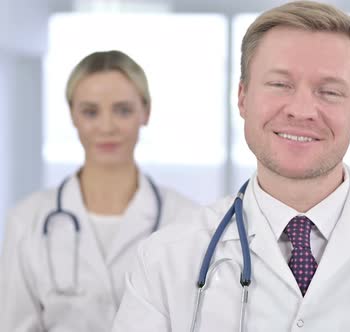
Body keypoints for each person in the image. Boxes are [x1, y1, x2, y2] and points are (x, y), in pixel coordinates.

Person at [112, 2, 350, 331]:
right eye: (279, 84)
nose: (301, 110)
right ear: (242, 97)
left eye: (329, 92)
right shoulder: (165, 261)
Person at [0, 50, 200, 331]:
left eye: (123, 110)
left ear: (146, 112)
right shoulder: (26, 221)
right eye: (90, 111)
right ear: (72, 115)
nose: (107, 127)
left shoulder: (187, 221)